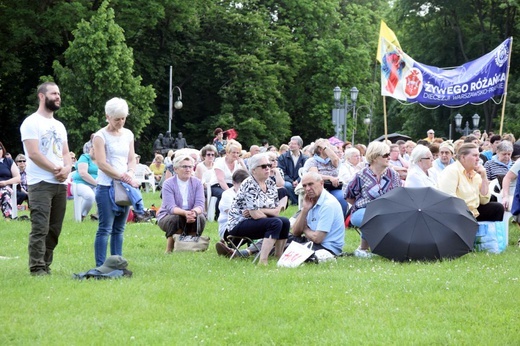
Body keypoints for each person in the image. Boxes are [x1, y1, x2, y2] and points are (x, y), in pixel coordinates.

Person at [20, 82, 72, 276]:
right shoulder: (31, 122)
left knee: (54, 229)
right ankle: (37, 267)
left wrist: (67, 169)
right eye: (53, 93)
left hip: (60, 183)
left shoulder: (59, 125)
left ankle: (46, 264)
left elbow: (66, 152)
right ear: (42, 96)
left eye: (59, 93)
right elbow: (33, 153)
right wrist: (55, 169)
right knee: (40, 227)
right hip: (40, 183)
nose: (58, 96)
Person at [92, 97, 140, 267]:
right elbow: (102, 163)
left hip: (124, 186)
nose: (121, 122)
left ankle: (116, 263)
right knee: (105, 228)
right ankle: (100, 265)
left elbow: (132, 158)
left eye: (123, 118)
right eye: (117, 119)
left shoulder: (128, 134)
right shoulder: (100, 136)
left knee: (119, 229)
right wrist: (122, 176)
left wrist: (131, 173)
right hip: (106, 186)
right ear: (108, 117)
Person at [226, 153, 290, 265]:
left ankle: (278, 256)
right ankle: (263, 260)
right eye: (264, 166)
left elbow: (275, 211)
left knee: (285, 221)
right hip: (239, 223)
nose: (268, 168)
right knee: (275, 223)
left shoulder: (270, 183)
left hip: (254, 220)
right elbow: (257, 215)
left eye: (269, 165)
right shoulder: (249, 184)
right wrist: (264, 213)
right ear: (254, 170)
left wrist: (260, 210)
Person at [346, 141, 402, 257]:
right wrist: (362, 205)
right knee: (372, 217)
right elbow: (349, 196)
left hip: (387, 211)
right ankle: (363, 248)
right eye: (386, 155)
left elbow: (398, 195)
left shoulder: (393, 175)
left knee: (381, 217)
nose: (389, 157)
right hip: (362, 210)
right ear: (375, 158)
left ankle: (380, 248)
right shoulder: (361, 175)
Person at [438, 143, 504, 221]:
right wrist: (468, 214)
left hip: (473, 211)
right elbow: (449, 200)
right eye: (475, 155)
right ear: (463, 157)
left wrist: (483, 176)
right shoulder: (451, 171)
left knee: (497, 208)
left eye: (478, 156)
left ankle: (491, 233)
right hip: (457, 213)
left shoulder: (474, 174)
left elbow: (484, 200)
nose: (478, 159)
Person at [157, 155, 206, 253]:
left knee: (200, 217)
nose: (188, 169)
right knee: (176, 218)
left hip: (191, 213)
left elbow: (200, 205)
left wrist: (193, 212)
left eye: (190, 167)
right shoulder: (168, 183)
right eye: (184, 167)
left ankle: (192, 246)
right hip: (168, 215)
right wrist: (185, 213)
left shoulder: (197, 183)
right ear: (175, 169)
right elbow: (170, 207)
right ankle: (170, 248)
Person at [292, 172, 345, 256]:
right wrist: (305, 210)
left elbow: (317, 238)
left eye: (310, 184)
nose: (308, 189)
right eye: (304, 186)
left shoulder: (328, 204)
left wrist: (305, 229)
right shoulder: (310, 200)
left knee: (289, 248)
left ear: (321, 183)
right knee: (283, 237)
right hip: (312, 242)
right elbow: (295, 232)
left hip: (326, 248)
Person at [304, 138, 348, 216]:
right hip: (318, 188)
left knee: (341, 197)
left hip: (333, 187)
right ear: (321, 149)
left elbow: (335, 159)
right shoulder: (312, 161)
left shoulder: (332, 161)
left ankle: (341, 220)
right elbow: (315, 175)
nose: (330, 149)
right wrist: (329, 178)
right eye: (328, 147)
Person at [208, 140, 247, 217]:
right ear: (227, 153)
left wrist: (243, 165)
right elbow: (221, 180)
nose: (235, 155)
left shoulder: (238, 163)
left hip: (232, 185)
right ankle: (218, 215)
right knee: (224, 194)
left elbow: (246, 176)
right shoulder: (220, 162)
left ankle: (240, 213)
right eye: (233, 152)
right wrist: (230, 192)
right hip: (217, 185)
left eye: (237, 153)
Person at [216, 169, 249, 240]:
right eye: (241, 185)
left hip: (246, 223)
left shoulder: (250, 193)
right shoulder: (227, 195)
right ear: (234, 183)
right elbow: (232, 214)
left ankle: (251, 249)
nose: (244, 188)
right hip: (228, 227)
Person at [277, 136, 308, 205]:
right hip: (287, 180)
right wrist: (292, 181)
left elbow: (305, 172)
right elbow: (281, 171)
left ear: (299, 146)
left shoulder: (305, 158)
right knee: (287, 186)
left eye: (294, 144)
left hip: (301, 180)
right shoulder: (282, 157)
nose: (291, 145)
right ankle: (296, 202)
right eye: (290, 143)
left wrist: (298, 181)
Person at [71, 145, 98, 220]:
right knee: (90, 196)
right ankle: (81, 215)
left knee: (104, 195)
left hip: (96, 185)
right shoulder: (85, 157)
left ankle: (99, 215)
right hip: (80, 183)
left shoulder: (102, 160)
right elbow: (83, 173)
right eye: (92, 148)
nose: (93, 150)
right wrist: (96, 183)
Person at [0, 141, 21, 219]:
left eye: (0, 148)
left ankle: (8, 217)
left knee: (4, 192)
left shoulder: (8, 161)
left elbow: (18, 178)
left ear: (3, 149)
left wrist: (5, 182)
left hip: (6, 186)